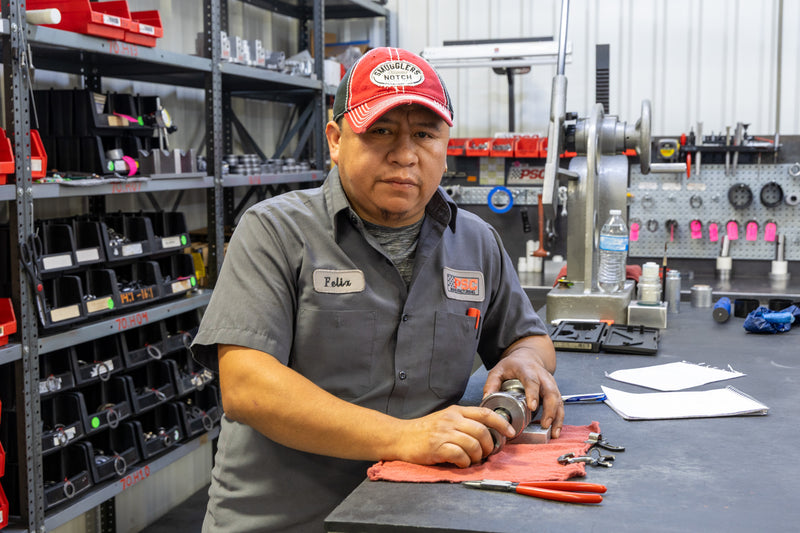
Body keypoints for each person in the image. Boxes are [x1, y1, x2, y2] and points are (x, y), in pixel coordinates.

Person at [192, 46, 563, 532]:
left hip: (420, 514)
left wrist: (525, 360)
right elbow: (246, 386)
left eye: (425, 134)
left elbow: (528, 337)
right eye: (381, 131)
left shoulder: (477, 243)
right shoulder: (274, 231)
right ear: (335, 139)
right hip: (288, 521)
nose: (405, 155)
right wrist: (406, 438)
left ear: (445, 146)